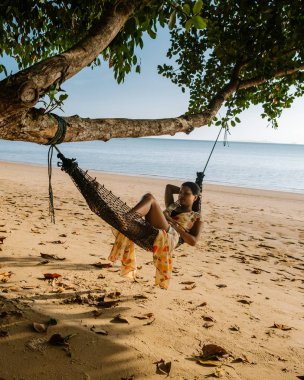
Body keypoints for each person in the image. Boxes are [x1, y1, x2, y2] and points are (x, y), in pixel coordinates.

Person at [109, 182, 202, 289]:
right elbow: (169, 187)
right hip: (156, 230)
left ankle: (125, 218)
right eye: (180, 192)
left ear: (195, 198)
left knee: (150, 198)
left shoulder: (196, 218)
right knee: (147, 196)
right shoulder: (172, 207)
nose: (181, 195)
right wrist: (192, 190)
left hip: (170, 237)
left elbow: (193, 241)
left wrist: (175, 225)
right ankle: (126, 218)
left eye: (186, 194)